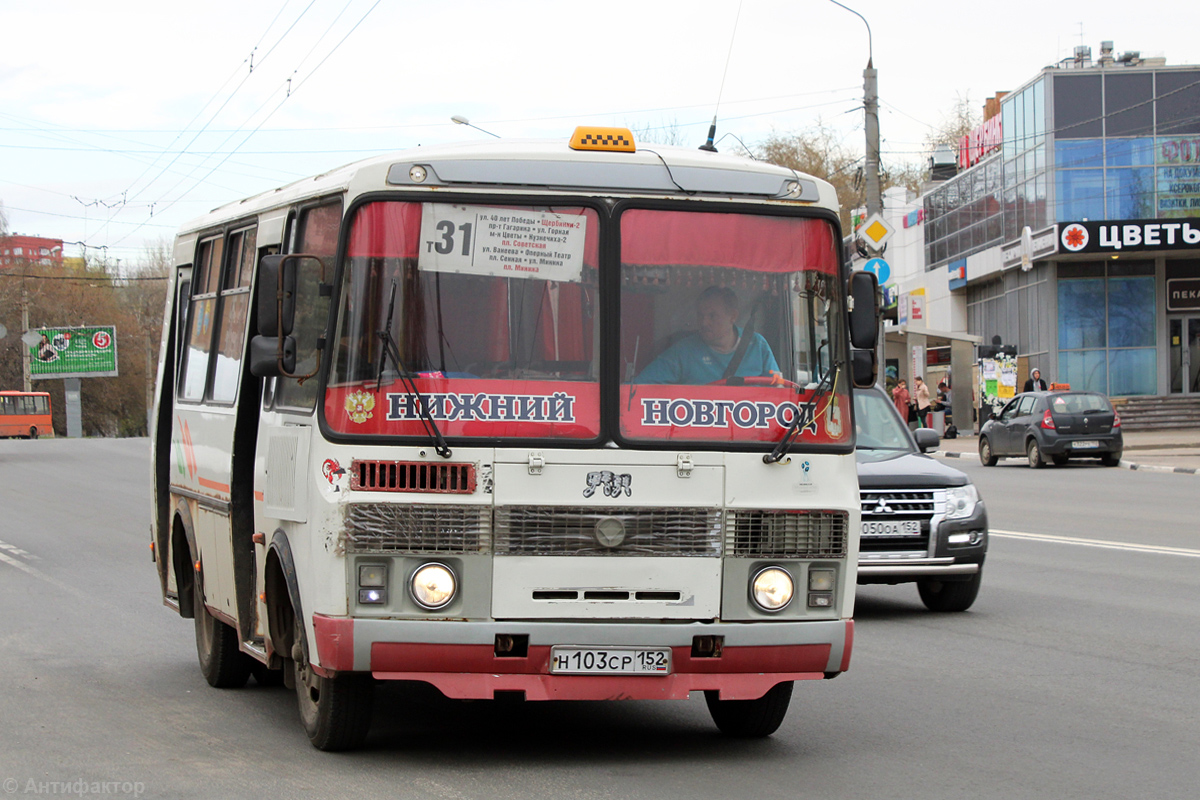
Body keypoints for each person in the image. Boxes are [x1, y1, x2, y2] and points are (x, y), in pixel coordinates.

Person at [635, 286, 779, 384]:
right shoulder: (684, 351)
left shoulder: (758, 346)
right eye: (700, 315)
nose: (704, 322)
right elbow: (639, 386)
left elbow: (778, 391)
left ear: (733, 316)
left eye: (712, 316)